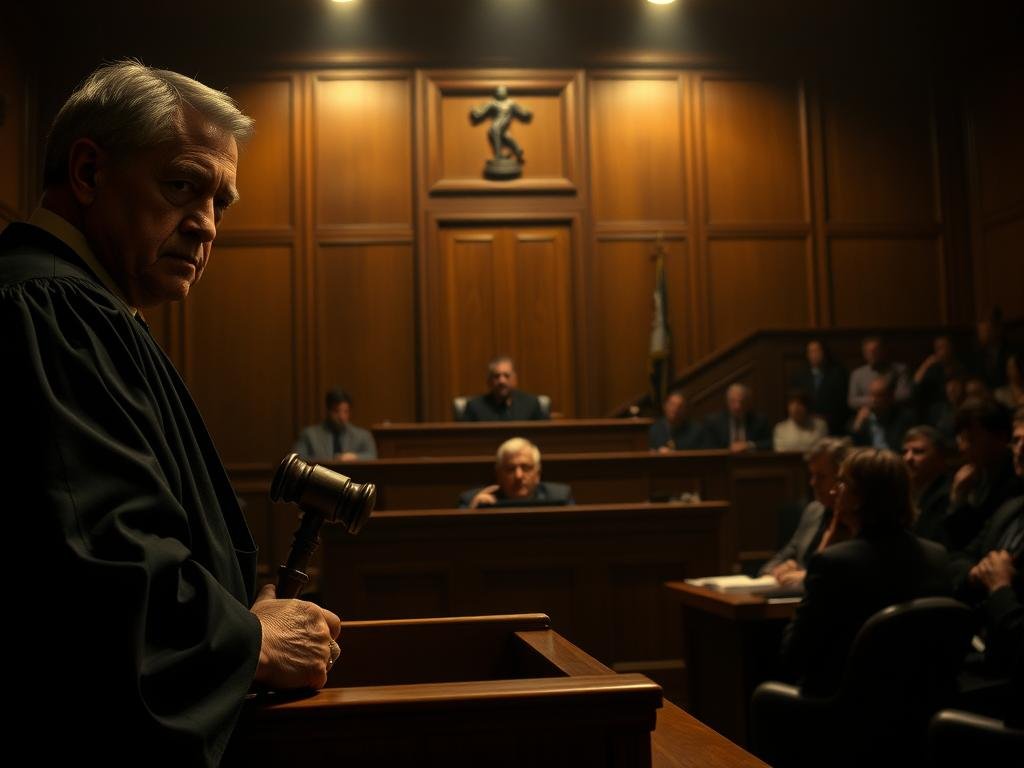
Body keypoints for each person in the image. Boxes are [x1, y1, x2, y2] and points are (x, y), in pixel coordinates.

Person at [2, 62, 340, 764]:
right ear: (89, 172)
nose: (206, 226)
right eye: (183, 186)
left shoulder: (83, 307)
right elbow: (104, 576)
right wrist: (251, 639)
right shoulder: (54, 309)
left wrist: (238, 597)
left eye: (222, 203)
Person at [778, 448, 951, 696]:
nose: (835, 490)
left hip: (844, 707)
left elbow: (793, 656)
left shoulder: (834, 563)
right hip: (919, 705)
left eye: (842, 482)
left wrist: (827, 547)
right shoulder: (938, 556)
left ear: (859, 498)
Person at [759, 438, 852, 587]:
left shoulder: (855, 518)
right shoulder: (813, 510)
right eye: (812, 475)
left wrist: (807, 575)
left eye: (821, 476)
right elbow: (785, 554)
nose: (813, 483)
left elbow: (847, 573)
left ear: (841, 478)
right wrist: (776, 570)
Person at [945, 398, 1019, 551]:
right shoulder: (976, 473)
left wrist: (959, 500)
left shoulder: (1015, 479)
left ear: (1001, 437)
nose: (963, 447)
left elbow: (971, 538)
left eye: (971, 439)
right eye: (961, 439)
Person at [458, 437, 574, 508]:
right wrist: (472, 515)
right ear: (498, 475)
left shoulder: (560, 497)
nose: (519, 476)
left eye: (526, 468)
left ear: (538, 474)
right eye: (510, 469)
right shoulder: (472, 501)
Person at [292, 388, 377, 462]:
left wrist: (355, 457)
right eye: (336, 411)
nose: (341, 417)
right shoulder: (309, 435)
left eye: (346, 411)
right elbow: (297, 461)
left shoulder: (363, 436)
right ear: (328, 410)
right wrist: (330, 461)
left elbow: (372, 457)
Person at [902, 426, 952, 545]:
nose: (907, 458)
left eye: (918, 451)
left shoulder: (948, 494)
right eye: (904, 452)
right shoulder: (903, 491)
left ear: (940, 457)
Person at [460, 356, 549, 421]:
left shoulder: (531, 404)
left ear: (515, 379)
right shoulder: (474, 407)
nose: (502, 381)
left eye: (506, 376)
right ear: (489, 381)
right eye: (496, 376)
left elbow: (545, 438)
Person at [790, 339, 849, 435]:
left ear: (824, 352)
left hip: (834, 426)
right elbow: (797, 400)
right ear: (807, 354)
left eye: (817, 351)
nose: (815, 354)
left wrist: (826, 418)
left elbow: (842, 401)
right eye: (811, 351)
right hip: (807, 426)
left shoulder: (838, 374)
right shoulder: (799, 376)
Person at [848, 375, 916, 451]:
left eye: (879, 396)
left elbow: (900, 446)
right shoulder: (862, 417)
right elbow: (854, 447)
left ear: (890, 397)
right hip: (870, 459)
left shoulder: (904, 418)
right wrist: (857, 426)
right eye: (871, 395)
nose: (873, 400)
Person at [703, 382, 772, 452]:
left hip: (752, 461)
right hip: (723, 461)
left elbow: (769, 443)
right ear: (727, 402)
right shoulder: (713, 421)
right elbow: (708, 447)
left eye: (741, 401)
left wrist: (749, 445)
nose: (737, 406)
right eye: (733, 401)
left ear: (748, 401)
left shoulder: (759, 420)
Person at [847, 335, 912, 410]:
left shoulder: (899, 370)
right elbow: (852, 401)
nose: (872, 354)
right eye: (868, 351)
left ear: (883, 351)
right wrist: (873, 400)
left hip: (894, 412)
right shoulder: (857, 374)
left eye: (876, 350)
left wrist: (883, 400)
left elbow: (905, 394)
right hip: (868, 413)